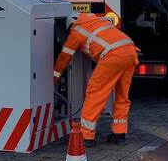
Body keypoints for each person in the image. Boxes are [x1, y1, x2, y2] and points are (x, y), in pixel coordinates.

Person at [53, 11, 139, 145]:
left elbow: (65, 56)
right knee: (122, 96)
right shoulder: (97, 21)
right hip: (130, 52)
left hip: (113, 56)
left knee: (95, 93)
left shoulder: (76, 31)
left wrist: (55, 76)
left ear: (71, 25)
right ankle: (119, 134)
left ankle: (86, 136)